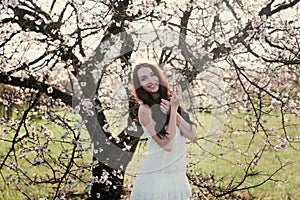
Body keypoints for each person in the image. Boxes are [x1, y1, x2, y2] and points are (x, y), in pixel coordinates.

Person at [130, 63, 198, 200]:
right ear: (139, 85)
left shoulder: (174, 100)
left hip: (177, 177)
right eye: (143, 79)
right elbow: (167, 145)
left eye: (152, 75)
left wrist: (175, 111)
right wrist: (172, 111)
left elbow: (193, 136)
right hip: (156, 180)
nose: (150, 81)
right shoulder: (145, 110)